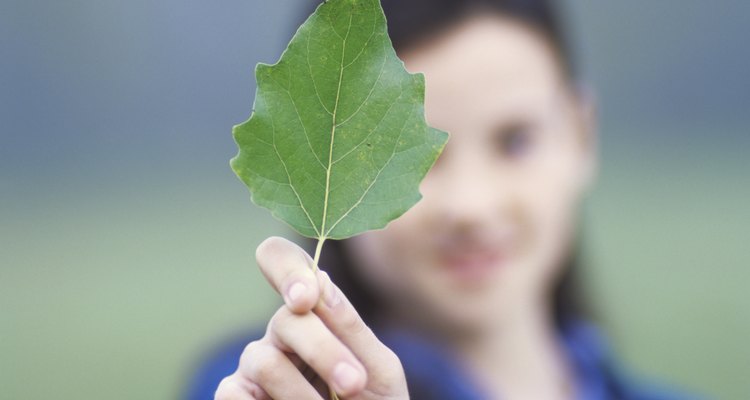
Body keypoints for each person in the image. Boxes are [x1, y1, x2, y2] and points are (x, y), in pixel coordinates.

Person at [187, 0, 699, 399]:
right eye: (417, 156)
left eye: (514, 140)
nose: (471, 207)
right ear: (317, 153)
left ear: (582, 133)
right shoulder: (260, 385)